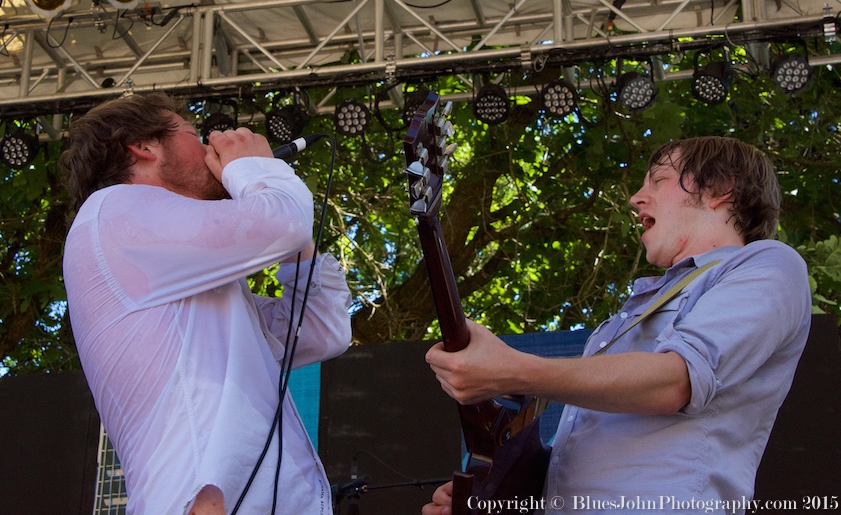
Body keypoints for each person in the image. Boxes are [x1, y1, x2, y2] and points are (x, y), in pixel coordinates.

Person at [423, 136, 811, 514]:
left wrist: (512, 372)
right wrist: (494, 492)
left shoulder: (769, 264)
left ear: (720, 188)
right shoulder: (622, 322)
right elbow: (576, 467)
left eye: (658, 180)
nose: (636, 198)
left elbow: (676, 381)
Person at [60, 92, 352, 515]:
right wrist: (255, 172)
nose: (209, 145)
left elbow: (320, 333)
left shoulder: (187, 278)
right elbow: (283, 223)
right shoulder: (113, 210)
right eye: (195, 135)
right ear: (144, 146)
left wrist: (281, 209)